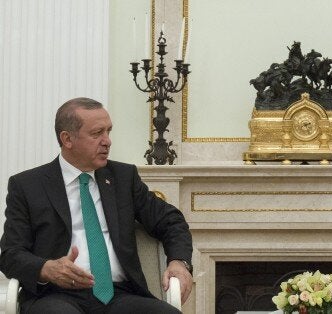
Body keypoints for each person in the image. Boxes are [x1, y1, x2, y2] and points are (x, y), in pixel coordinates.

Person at [0, 98, 193, 313]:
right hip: (56, 296)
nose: (107, 141)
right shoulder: (27, 186)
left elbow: (170, 220)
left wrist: (179, 262)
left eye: (108, 131)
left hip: (120, 295)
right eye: (97, 133)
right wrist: (47, 269)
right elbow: (11, 254)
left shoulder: (123, 178)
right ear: (67, 139)